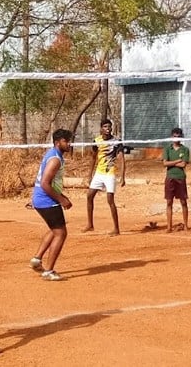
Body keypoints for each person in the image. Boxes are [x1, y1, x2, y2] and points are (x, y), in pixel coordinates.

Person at [29, 129, 74, 281]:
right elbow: (45, 183)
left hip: (42, 199)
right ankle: (49, 271)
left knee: (54, 230)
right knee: (61, 233)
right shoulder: (55, 159)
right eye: (66, 141)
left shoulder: (54, 155)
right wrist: (61, 200)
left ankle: (37, 259)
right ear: (57, 142)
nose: (69, 144)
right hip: (47, 200)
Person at [83, 119, 125, 236]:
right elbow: (93, 158)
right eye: (105, 126)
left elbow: (121, 158)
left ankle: (116, 228)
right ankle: (90, 224)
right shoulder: (96, 141)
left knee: (110, 200)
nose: (108, 129)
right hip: (99, 173)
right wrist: (89, 174)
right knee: (89, 196)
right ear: (101, 128)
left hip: (110, 173)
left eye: (109, 127)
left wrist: (122, 176)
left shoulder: (116, 141)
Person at [162, 127, 190, 232]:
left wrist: (172, 162)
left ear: (181, 137)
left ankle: (186, 225)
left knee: (183, 202)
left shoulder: (185, 149)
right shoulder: (167, 149)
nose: (176, 138)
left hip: (180, 178)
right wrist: (177, 160)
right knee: (169, 202)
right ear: (171, 137)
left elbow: (183, 164)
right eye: (174, 136)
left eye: (178, 136)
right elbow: (165, 163)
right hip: (170, 178)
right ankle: (169, 226)